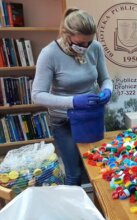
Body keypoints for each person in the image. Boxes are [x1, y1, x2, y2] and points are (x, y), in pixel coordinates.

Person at [31, 8, 113, 185]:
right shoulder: (49, 54)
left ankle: (98, 210)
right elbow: (37, 95)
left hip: (91, 118)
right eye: (81, 43)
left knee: (96, 167)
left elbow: (105, 79)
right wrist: (73, 102)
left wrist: (107, 90)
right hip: (64, 122)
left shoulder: (95, 48)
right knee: (74, 172)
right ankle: (74, 212)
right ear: (66, 34)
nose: (85, 47)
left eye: (89, 42)